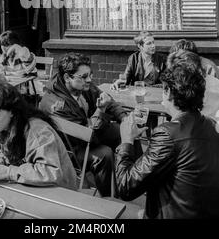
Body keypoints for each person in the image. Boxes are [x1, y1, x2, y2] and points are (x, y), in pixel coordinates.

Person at [115, 62, 219, 218]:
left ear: (168, 92)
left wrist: (126, 141)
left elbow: (126, 187)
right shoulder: (210, 125)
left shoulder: (167, 134)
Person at [40, 53, 131, 197]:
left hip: (88, 132)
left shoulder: (81, 85)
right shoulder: (57, 105)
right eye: (83, 77)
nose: (89, 80)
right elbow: (88, 137)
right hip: (68, 149)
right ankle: (109, 197)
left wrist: (124, 118)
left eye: (90, 75)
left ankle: (131, 179)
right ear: (67, 78)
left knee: (127, 131)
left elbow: (107, 99)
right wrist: (101, 110)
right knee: (104, 154)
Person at [0, 81, 77, 189]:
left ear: (12, 111)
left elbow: (50, 172)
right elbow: (17, 159)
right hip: (35, 186)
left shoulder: (38, 132)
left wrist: (8, 172)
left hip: (60, 192)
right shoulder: (9, 126)